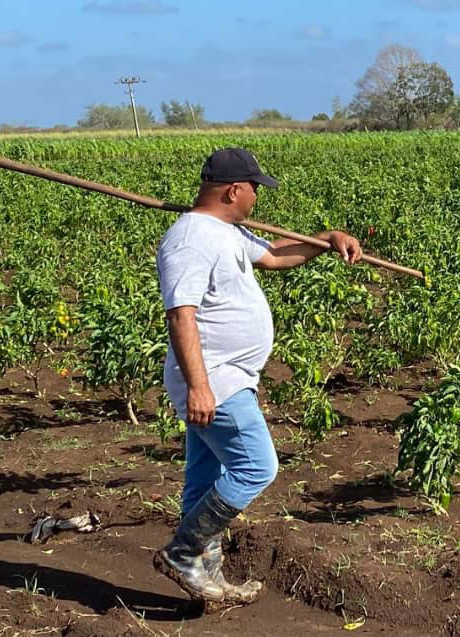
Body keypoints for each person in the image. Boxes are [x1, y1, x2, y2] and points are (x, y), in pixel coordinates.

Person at [152, 148, 362, 608]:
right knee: (256, 467)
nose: (256, 197)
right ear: (233, 190)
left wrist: (327, 239)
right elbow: (181, 315)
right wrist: (201, 385)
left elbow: (273, 255)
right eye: (254, 189)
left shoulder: (225, 231)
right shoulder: (190, 240)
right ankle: (183, 552)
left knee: (204, 476)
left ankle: (206, 575)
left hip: (226, 377)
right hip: (215, 379)